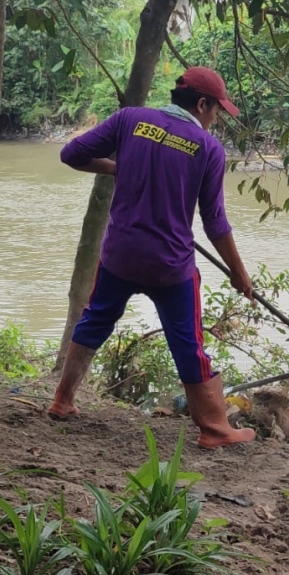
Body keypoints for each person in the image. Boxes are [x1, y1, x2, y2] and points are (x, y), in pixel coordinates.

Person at [49, 66, 257, 450]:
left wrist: (115, 166)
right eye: (216, 112)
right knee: (188, 342)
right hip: (170, 265)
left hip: (120, 255)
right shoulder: (209, 149)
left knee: (96, 318)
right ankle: (214, 428)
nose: (216, 120)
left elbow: (72, 154)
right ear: (201, 104)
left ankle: (62, 400)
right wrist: (238, 273)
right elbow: (215, 222)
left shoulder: (131, 119)